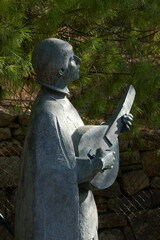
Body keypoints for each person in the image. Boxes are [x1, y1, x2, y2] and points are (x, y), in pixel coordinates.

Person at [14, 38, 133, 240]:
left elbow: (79, 141)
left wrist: (113, 128)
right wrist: (96, 165)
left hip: (80, 210)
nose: (78, 60)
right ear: (60, 70)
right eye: (71, 58)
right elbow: (54, 172)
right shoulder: (48, 113)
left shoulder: (61, 103)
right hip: (64, 221)